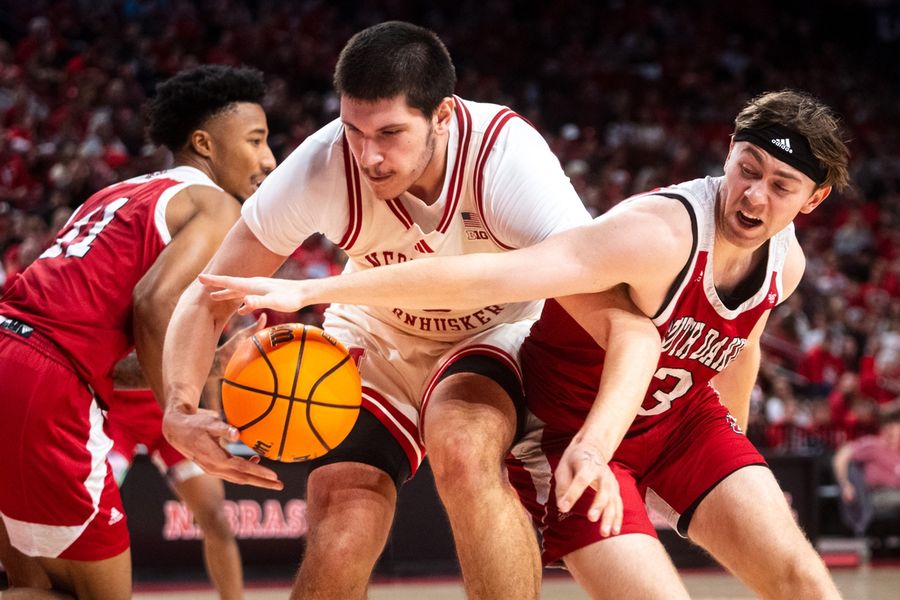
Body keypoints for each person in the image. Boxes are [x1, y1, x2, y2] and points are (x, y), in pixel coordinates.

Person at [201, 89, 850, 599]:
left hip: (681, 422)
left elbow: (743, 340)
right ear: (730, 153)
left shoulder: (784, 262)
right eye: (747, 168)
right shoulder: (656, 232)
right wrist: (312, 291)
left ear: (813, 199)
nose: (754, 195)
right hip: (575, 433)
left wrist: (731, 426)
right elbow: (484, 275)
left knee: (805, 581)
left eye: (780, 186)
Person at [163, 21, 601, 600]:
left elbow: (595, 278)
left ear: (442, 115)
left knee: (463, 448)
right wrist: (178, 407)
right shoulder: (323, 164)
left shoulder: (505, 156)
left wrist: (604, 422)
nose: (369, 155)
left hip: (499, 328)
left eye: (390, 132)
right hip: (376, 329)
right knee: (342, 526)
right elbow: (208, 292)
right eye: (355, 130)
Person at [0, 64, 275, 598]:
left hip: (14, 354)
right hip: (45, 385)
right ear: (205, 144)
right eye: (256, 140)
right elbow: (154, 303)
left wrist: (209, 363)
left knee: (37, 583)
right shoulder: (215, 204)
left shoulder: (117, 192)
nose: (268, 159)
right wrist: (180, 410)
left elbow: (105, 353)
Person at [832, 405, 900, 538]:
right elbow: (841, 456)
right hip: (879, 495)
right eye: (892, 425)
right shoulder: (874, 444)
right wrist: (845, 484)